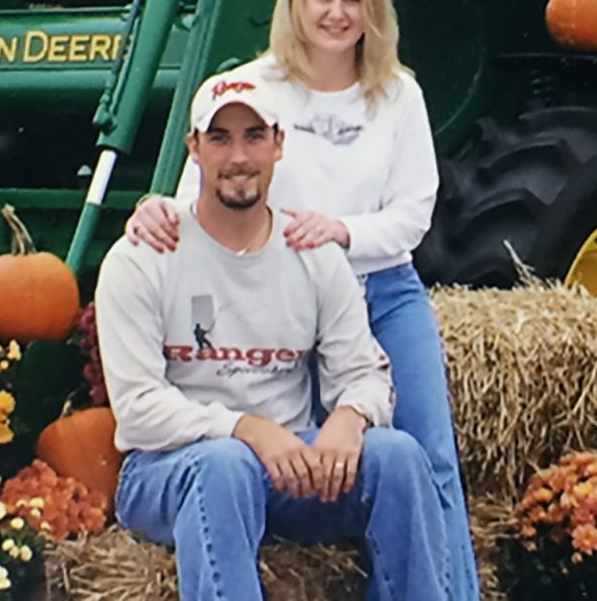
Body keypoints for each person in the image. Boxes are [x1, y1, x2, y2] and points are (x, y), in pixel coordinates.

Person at [124, 0, 479, 598]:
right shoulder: (255, 86)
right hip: (287, 302)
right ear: (296, 2)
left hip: (381, 289)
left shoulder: (397, 93)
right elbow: (200, 188)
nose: (337, 12)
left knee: (424, 453)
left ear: (373, 8)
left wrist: (341, 232)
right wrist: (152, 208)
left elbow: (414, 212)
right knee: (307, 456)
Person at [95, 78, 451, 600]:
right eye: (219, 138)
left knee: (396, 457)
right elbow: (139, 411)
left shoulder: (313, 254)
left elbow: (365, 373)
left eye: (254, 136)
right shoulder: (143, 258)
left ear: (279, 145)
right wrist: (247, 429)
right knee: (225, 465)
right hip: (170, 471)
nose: (238, 156)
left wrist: (350, 420)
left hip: (292, 469)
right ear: (193, 149)